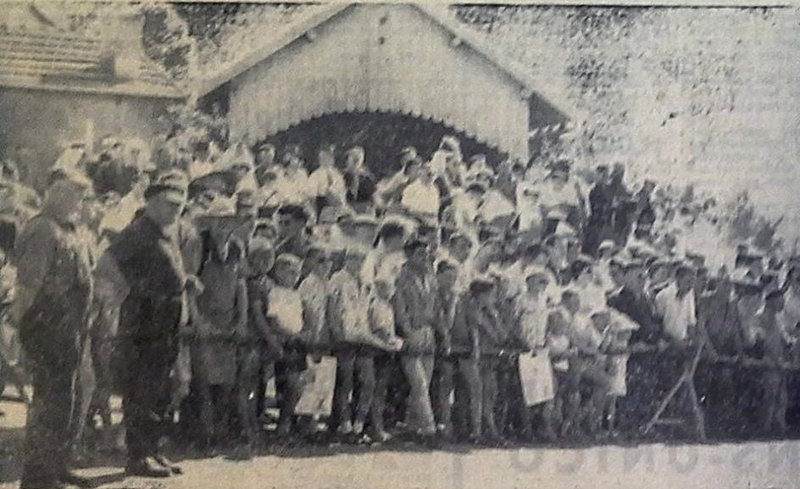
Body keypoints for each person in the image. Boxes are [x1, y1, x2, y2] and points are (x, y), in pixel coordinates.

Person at [110, 170, 196, 477]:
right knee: (141, 390)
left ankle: (153, 450)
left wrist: (183, 281)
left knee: (160, 390)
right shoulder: (137, 232)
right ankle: (137, 455)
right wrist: (138, 292)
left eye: (180, 205)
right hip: (144, 324)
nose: (176, 210)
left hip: (166, 323)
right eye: (170, 204)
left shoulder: (166, 232)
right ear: (150, 203)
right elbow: (107, 268)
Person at [12, 173, 95, 489]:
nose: (77, 201)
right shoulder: (42, 230)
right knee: (49, 405)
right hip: (47, 330)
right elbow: (27, 288)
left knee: (67, 403)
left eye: (81, 195)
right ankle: (38, 477)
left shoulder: (72, 230)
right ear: (52, 192)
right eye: (72, 193)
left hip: (71, 331)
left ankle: (58, 466)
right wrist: (22, 334)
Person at [393, 239, 438, 444]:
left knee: (423, 383)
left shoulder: (429, 277)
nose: (425, 257)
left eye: (426, 253)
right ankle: (429, 429)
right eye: (420, 254)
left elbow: (434, 306)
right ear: (409, 255)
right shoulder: (401, 277)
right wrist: (408, 333)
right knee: (418, 382)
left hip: (428, 332)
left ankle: (413, 426)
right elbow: (400, 309)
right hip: (411, 331)